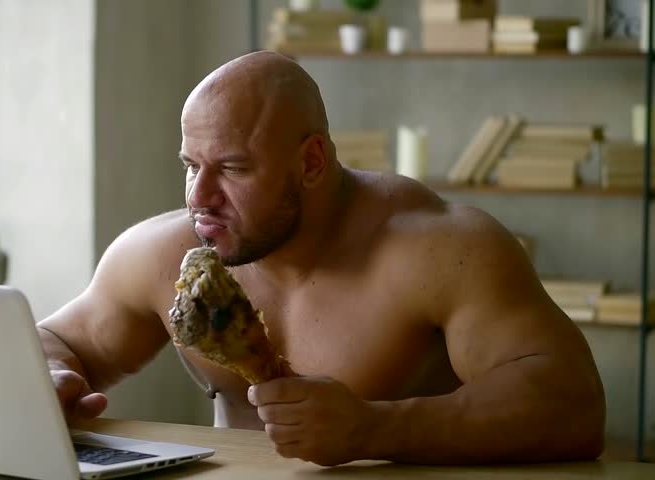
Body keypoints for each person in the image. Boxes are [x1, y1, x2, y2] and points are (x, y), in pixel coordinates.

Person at [37, 51, 605, 466]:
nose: (199, 197)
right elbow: (57, 341)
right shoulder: (164, 254)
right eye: (191, 165)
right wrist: (50, 377)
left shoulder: (438, 248)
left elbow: (572, 404)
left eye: (232, 169)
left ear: (310, 163)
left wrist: (374, 429)